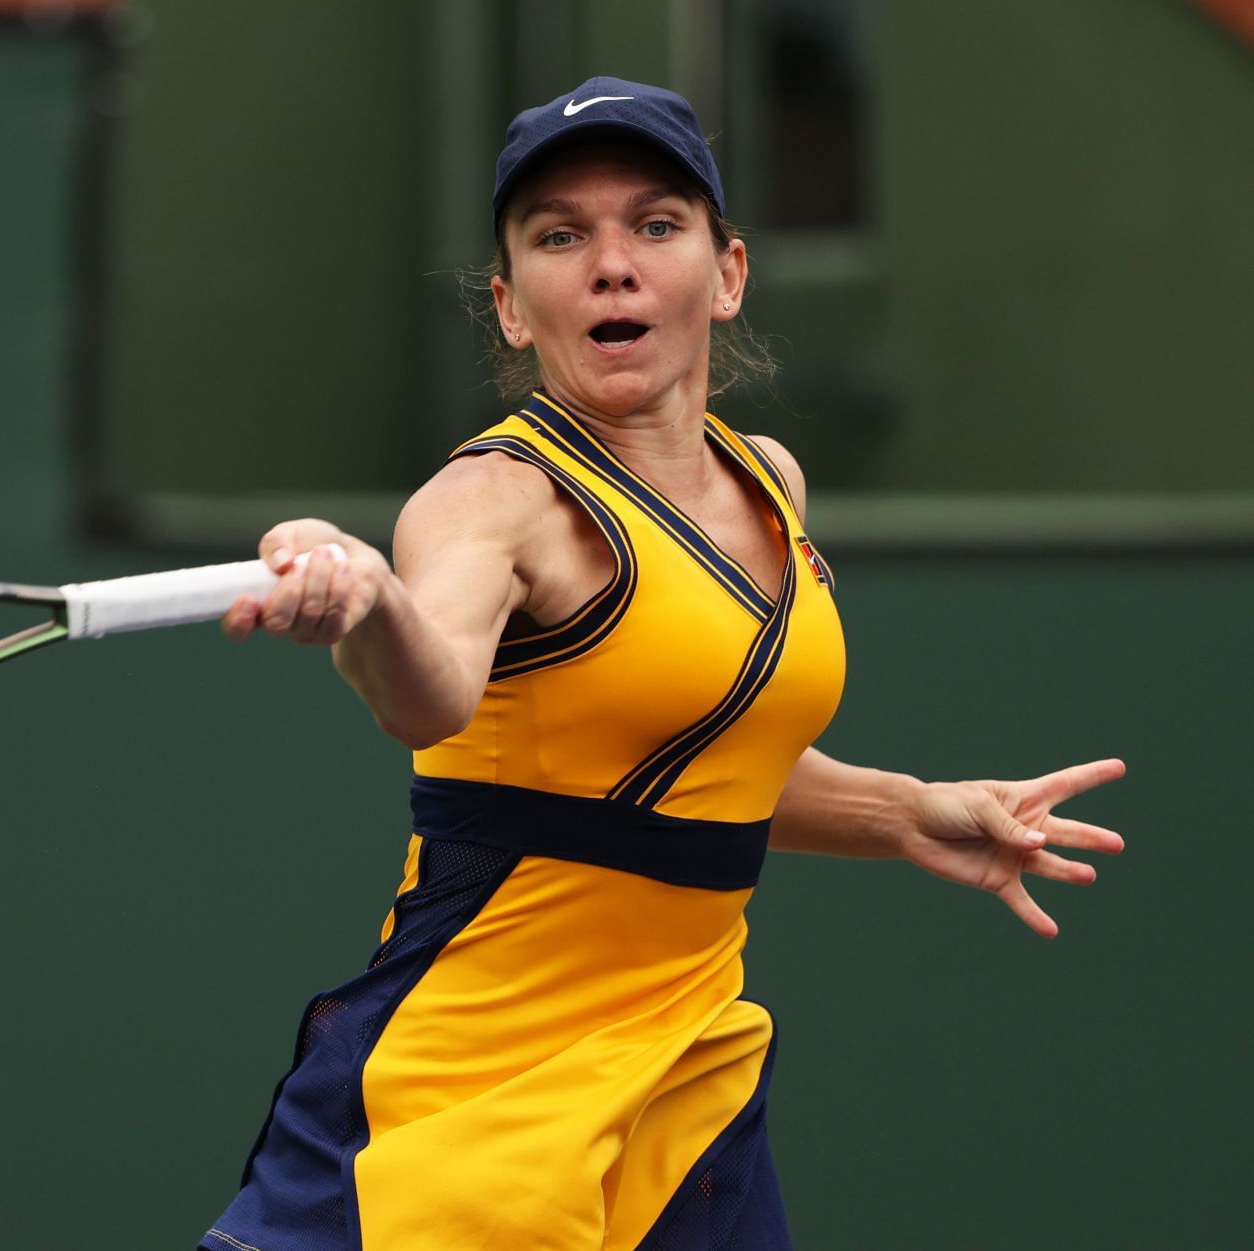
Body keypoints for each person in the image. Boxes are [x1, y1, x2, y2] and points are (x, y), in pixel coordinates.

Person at [199, 76, 1126, 1251]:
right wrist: (371, 604)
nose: (611, 264)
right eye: (559, 236)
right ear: (512, 307)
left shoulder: (770, 481)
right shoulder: (494, 501)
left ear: (726, 272)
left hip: (686, 1091)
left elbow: (674, 766)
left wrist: (905, 813)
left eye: (654, 224)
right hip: (473, 1103)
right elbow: (431, 694)